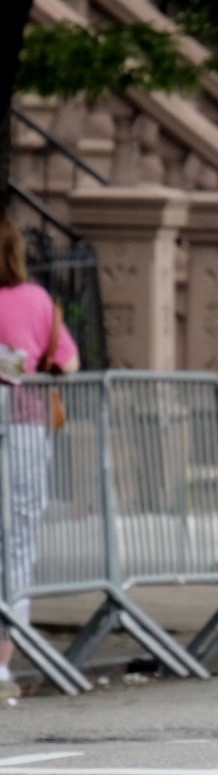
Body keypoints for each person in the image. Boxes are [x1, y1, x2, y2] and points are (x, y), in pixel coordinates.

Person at [0, 216, 80, 700]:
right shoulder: (36, 301)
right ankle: (4, 656)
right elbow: (69, 363)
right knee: (19, 540)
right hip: (25, 427)